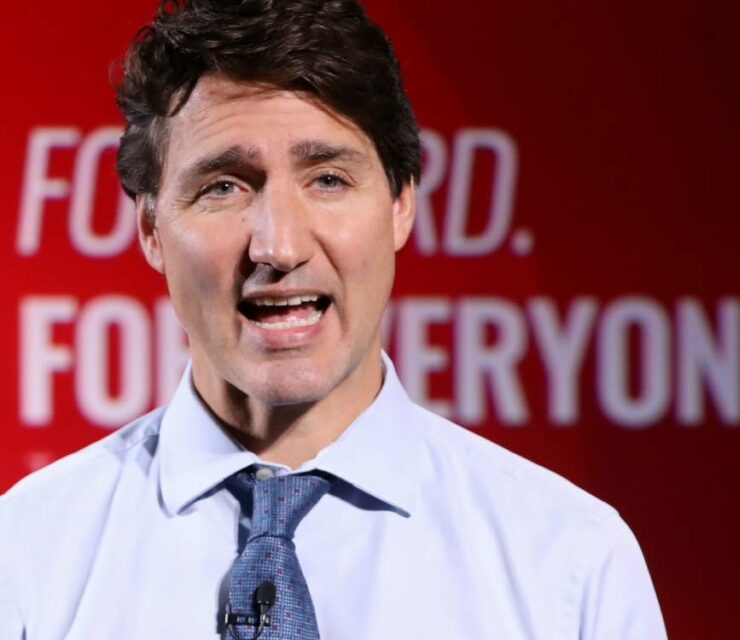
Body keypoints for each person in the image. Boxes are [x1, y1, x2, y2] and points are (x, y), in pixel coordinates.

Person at [0, 0, 666, 637]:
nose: (280, 246)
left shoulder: (569, 565)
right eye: (223, 186)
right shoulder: (26, 557)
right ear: (151, 228)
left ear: (402, 204)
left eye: (328, 179)